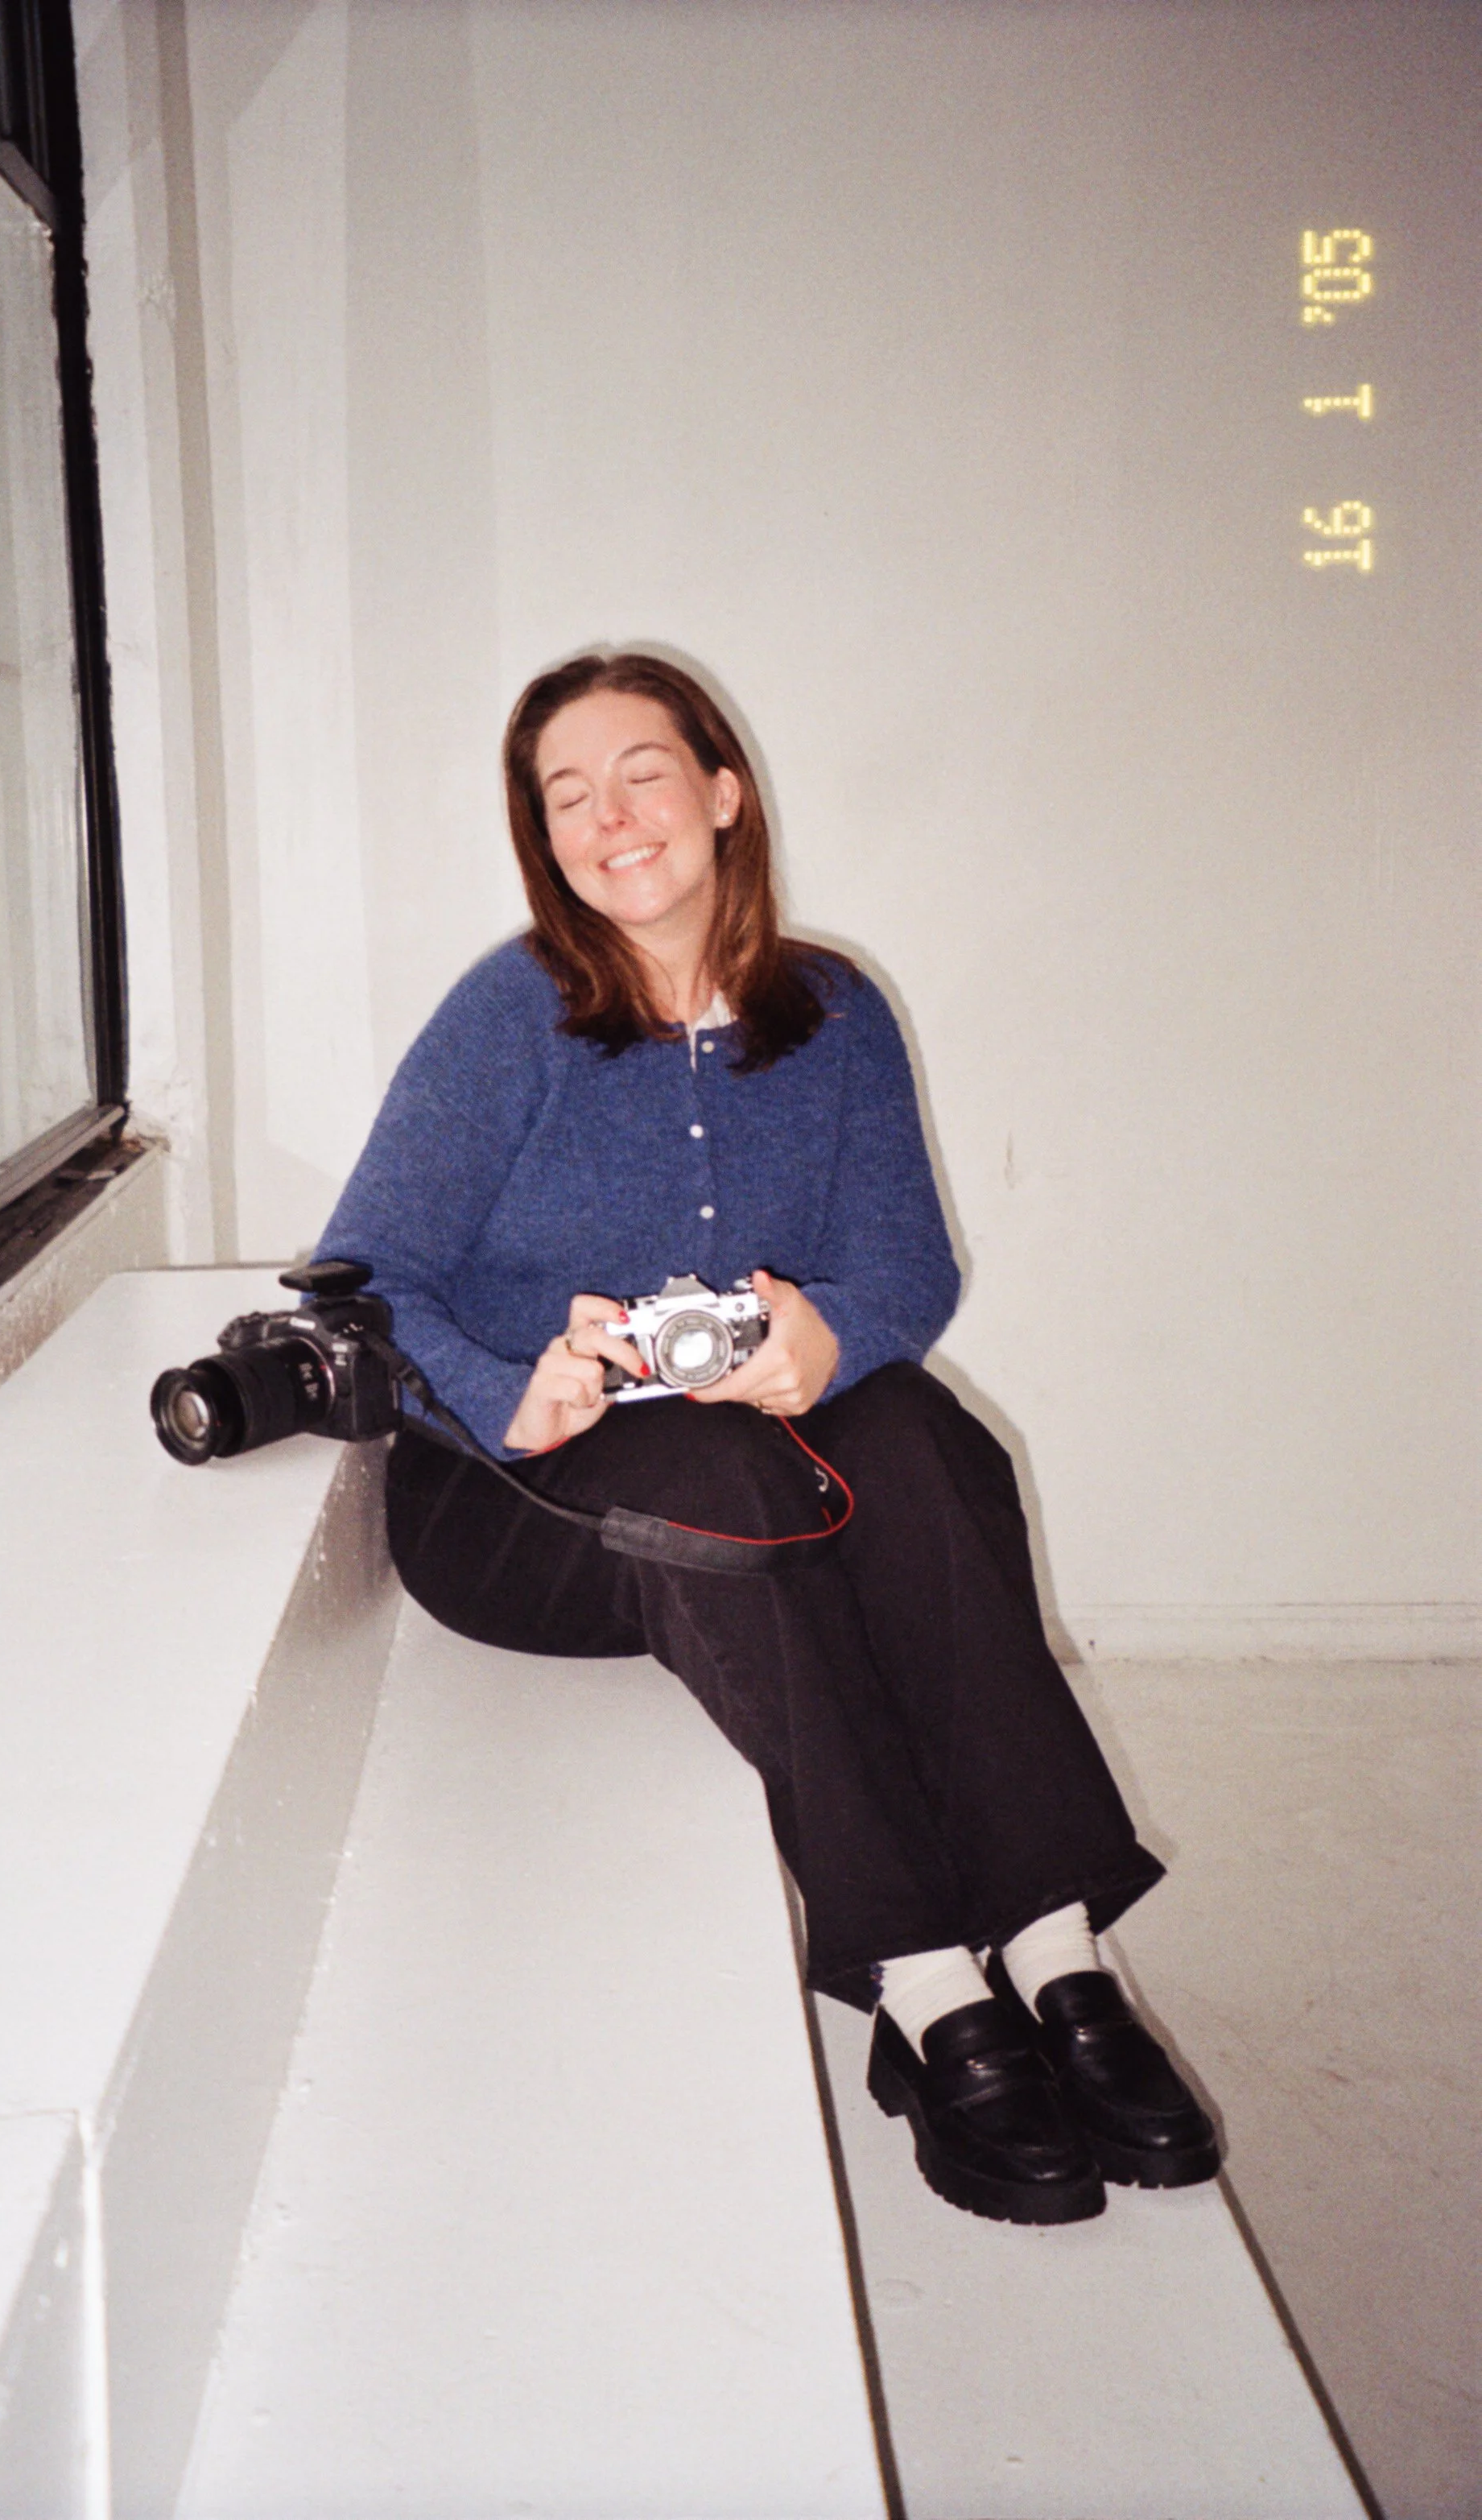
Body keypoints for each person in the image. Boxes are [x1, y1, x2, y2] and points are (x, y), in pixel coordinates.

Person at [314, 650, 1219, 2225]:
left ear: (723, 790)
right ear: (543, 837)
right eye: (566, 795)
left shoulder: (834, 1011)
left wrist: (828, 1339)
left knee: (922, 1441)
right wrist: (501, 1381)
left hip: (748, 1456)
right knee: (734, 1483)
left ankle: (1058, 1952)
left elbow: (907, 1267)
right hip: (516, 1492)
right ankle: (927, 1986)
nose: (610, 817)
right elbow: (357, 1285)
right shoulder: (510, 1013)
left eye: (641, 772)